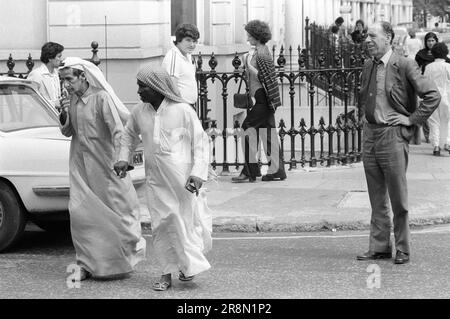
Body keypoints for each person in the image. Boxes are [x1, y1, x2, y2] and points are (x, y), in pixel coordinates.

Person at [114, 66, 212, 292]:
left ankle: (188, 266)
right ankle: (165, 272)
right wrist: (123, 158)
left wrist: (198, 173)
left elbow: (200, 142)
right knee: (161, 224)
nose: (138, 91)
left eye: (142, 86)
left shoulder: (183, 110)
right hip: (155, 180)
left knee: (183, 222)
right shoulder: (140, 111)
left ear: (157, 88)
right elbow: (128, 135)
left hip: (182, 179)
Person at [356, 22, 440, 265]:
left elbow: (432, 95)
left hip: (393, 136)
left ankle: (402, 247)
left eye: (373, 35)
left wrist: (412, 119)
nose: (367, 40)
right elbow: (366, 95)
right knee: (376, 196)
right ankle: (380, 246)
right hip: (370, 135)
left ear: (388, 38)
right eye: (366, 36)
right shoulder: (368, 64)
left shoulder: (404, 63)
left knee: (398, 197)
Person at [59, 57, 146, 280]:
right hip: (80, 165)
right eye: (63, 80)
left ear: (83, 76)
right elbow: (68, 132)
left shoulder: (102, 98)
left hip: (106, 166)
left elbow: (118, 131)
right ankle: (86, 263)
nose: (66, 84)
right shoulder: (72, 101)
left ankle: (118, 261)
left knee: (117, 213)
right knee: (81, 214)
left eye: (69, 79)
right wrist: (63, 114)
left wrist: (122, 159)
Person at [231, 20, 286, 183]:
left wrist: (248, 64)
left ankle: (249, 171)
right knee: (268, 134)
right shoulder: (259, 51)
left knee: (246, 128)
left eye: (249, 35)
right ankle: (277, 170)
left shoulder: (262, 53)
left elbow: (265, 77)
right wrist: (246, 66)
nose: (248, 38)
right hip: (263, 99)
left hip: (264, 99)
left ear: (256, 36)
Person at [161, 23, 199, 109]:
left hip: (188, 106)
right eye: (188, 40)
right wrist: (184, 108)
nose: (192, 45)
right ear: (179, 40)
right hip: (179, 108)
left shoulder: (188, 55)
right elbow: (171, 87)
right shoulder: (173, 57)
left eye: (194, 41)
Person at [423, 42, 450, 156]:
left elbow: (424, 83)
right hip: (446, 97)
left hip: (432, 98)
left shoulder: (428, 67)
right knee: (447, 121)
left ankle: (436, 146)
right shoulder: (448, 66)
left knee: (434, 122)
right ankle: (448, 143)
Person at [27, 42, 64, 108]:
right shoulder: (36, 74)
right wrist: (53, 104)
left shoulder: (56, 73)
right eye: (59, 56)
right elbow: (30, 100)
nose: (61, 59)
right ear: (50, 58)